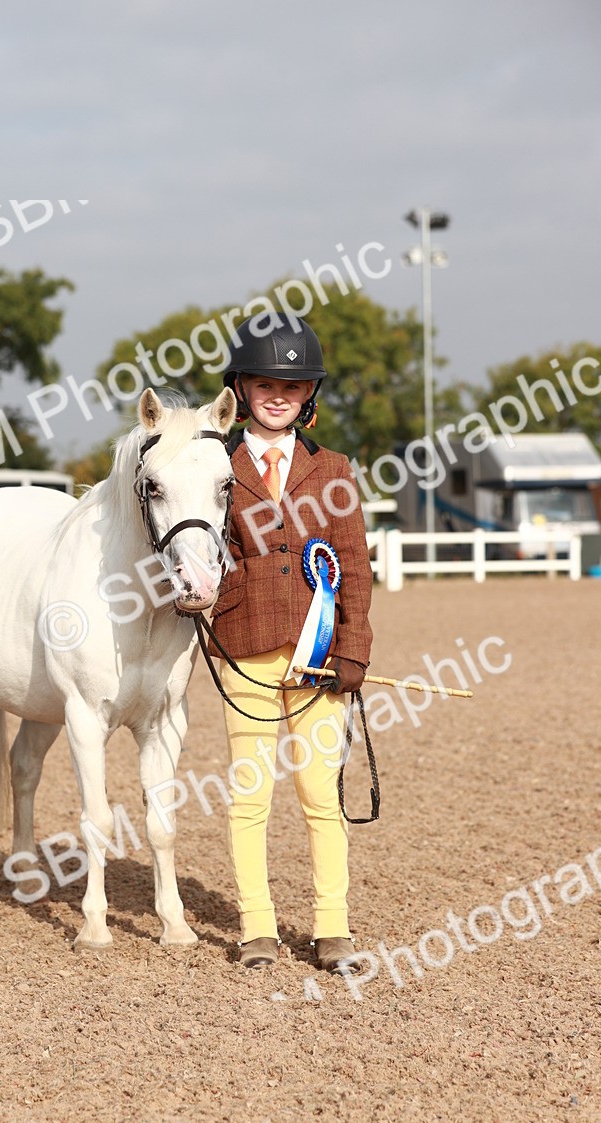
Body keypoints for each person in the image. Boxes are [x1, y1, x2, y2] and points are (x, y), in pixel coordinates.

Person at [208, 312, 374, 973]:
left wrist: (353, 648)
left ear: (309, 394)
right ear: (241, 389)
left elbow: (352, 564)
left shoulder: (332, 469)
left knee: (319, 794)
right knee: (250, 796)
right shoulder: (216, 467)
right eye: (265, 384)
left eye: (293, 385)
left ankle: (333, 926)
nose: (278, 396)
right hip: (244, 646)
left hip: (319, 654)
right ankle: (257, 928)